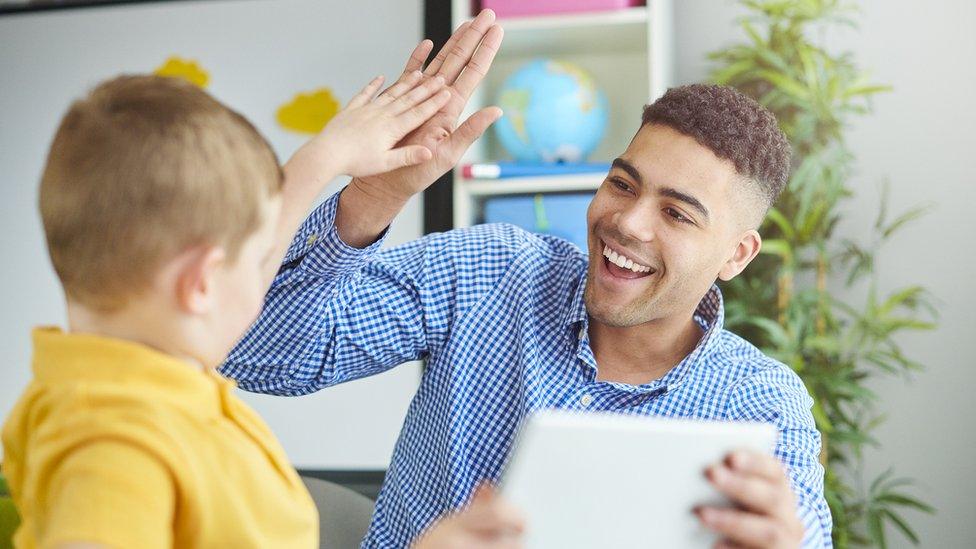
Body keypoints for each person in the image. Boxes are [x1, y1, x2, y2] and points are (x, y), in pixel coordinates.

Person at [224, 9, 834, 547]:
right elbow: (256, 355)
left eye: (676, 213)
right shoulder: (493, 272)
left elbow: (801, 533)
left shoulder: (759, 406)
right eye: (622, 184)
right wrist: (370, 199)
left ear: (736, 254)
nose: (626, 223)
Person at [1, 67, 524, 548]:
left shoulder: (119, 377)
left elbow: (245, 235)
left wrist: (327, 157)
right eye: (261, 262)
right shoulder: (116, 444)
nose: (270, 273)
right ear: (200, 284)